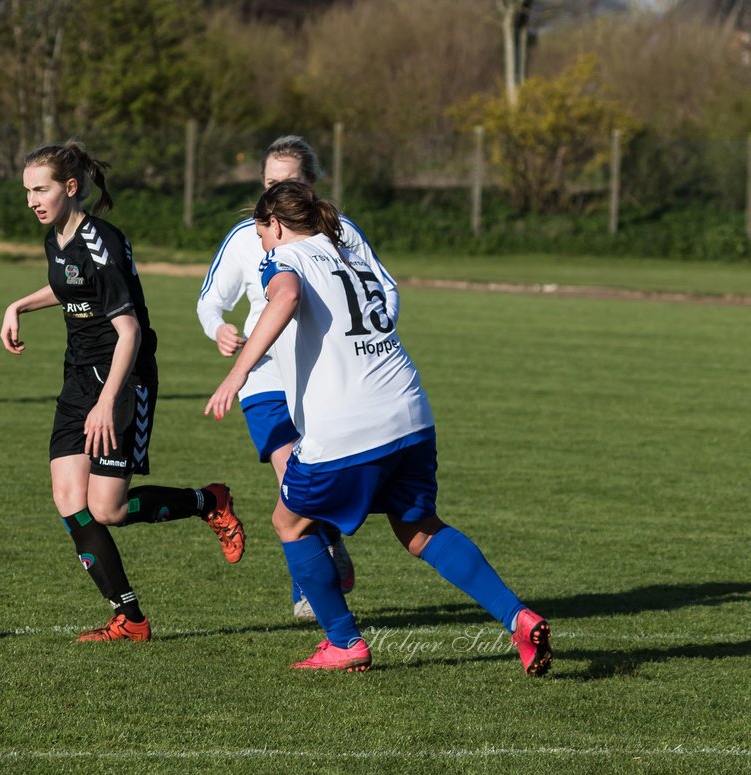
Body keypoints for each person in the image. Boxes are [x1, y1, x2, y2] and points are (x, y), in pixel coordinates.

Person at [205, 181, 552, 676]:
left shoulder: (284, 260)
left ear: (276, 225)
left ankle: (344, 642)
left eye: (262, 234)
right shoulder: (351, 253)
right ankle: (518, 617)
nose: (261, 244)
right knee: (418, 527)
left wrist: (239, 372)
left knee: (290, 522)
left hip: (349, 423)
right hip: (409, 409)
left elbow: (284, 296)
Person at [1, 140, 246, 642]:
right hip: (77, 378)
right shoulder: (57, 237)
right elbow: (71, 285)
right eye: (27, 191)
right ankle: (129, 618)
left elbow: (129, 331)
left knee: (108, 509)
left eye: (40, 189)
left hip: (123, 377)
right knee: (70, 499)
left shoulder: (103, 243)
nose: (32, 200)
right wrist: (20, 304)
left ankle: (208, 501)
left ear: (70, 188)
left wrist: (108, 402)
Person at [197, 134, 399, 621]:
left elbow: (383, 291)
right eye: (269, 183)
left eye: (288, 182)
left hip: (320, 378)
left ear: (311, 185)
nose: (276, 193)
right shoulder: (248, 235)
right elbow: (210, 300)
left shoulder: (342, 232)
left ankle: (326, 569)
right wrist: (220, 328)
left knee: (308, 490)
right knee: (292, 481)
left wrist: (373, 335)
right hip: (264, 376)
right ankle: (310, 588)